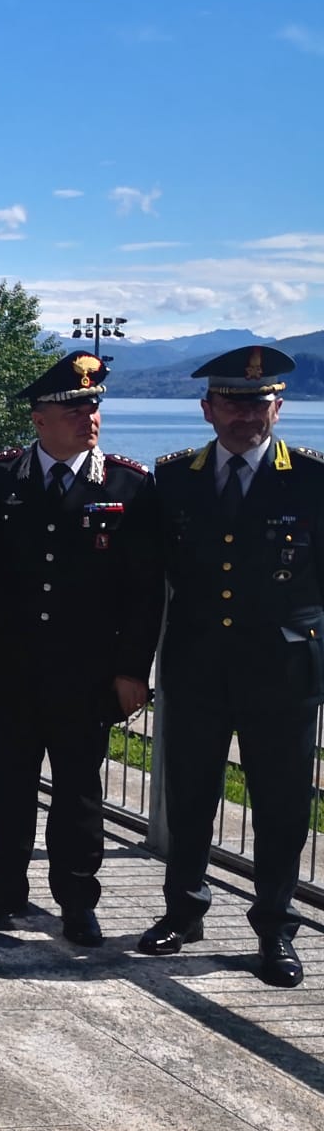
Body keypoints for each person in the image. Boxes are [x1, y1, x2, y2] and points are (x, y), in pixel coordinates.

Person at [0, 352, 163, 945]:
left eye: (93, 405)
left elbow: (145, 593)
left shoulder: (129, 485)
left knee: (77, 788)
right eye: (73, 408)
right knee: (10, 782)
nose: (88, 417)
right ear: (38, 418)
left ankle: (77, 901)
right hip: (12, 664)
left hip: (88, 671)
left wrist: (132, 670)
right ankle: (5, 890)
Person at [138, 346, 321, 988]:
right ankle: (183, 911)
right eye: (234, 402)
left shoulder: (313, 478)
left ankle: (274, 928)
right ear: (208, 408)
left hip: (283, 672)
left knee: (281, 806)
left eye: (259, 402)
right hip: (196, 666)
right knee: (189, 797)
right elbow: (145, 576)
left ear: (278, 405)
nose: (247, 415)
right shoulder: (173, 478)